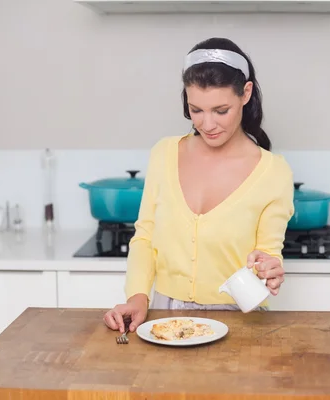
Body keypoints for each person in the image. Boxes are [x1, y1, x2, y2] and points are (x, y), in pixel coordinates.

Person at [103, 37, 295, 333]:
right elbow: (145, 236)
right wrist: (138, 297)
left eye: (221, 110)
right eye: (196, 110)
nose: (207, 124)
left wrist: (269, 267)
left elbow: (268, 252)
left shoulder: (273, 171)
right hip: (166, 318)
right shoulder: (164, 153)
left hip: (242, 323)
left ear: (245, 93)